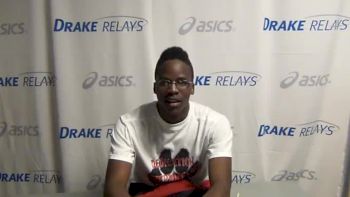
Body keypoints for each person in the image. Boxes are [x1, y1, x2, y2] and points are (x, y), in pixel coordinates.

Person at [104, 46, 232, 197]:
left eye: (182, 82)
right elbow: (114, 186)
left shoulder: (215, 123)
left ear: (192, 88)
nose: (173, 89)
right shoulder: (128, 124)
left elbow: (222, 186)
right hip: (148, 192)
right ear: (155, 88)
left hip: (193, 192)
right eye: (165, 82)